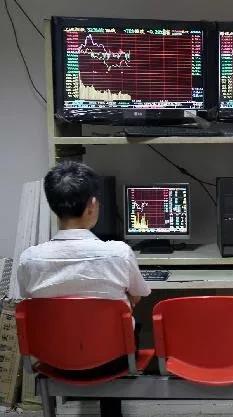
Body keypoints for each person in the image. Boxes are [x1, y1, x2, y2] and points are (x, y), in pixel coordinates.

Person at [17, 161, 150, 417]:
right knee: (124, 318)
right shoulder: (118, 253)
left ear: (53, 206)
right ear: (92, 205)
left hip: (53, 360)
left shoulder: (29, 259)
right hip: (112, 361)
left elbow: (29, 301)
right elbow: (138, 295)